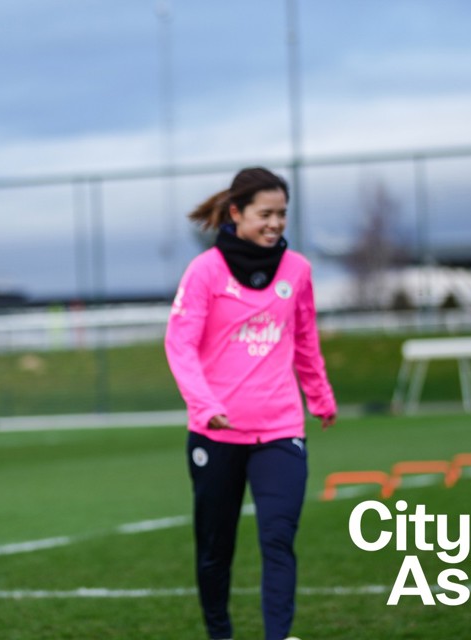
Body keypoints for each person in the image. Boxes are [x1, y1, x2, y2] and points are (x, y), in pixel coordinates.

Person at [164, 167, 337, 640]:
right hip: (215, 431)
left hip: (280, 429)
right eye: (266, 213)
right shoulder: (205, 272)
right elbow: (179, 345)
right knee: (216, 549)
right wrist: (204, 403)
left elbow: (304, 338)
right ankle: (220, 634)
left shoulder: (297, 270)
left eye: (283, 214)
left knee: (278, 539)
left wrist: (320, 396)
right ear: (237, 213)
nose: (276, 223)